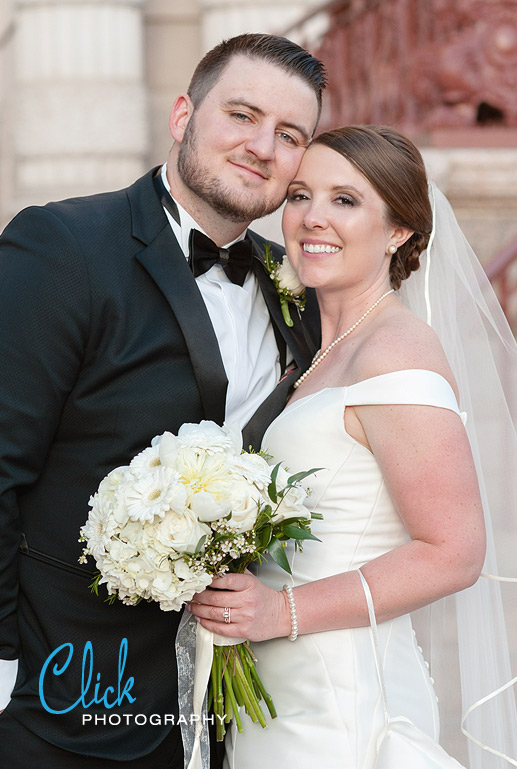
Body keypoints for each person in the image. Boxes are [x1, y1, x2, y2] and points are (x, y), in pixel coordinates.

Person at [0, 33, 326, 768]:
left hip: (225, 708)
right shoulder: (62, 247)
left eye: (289, 135)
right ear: (183, 115)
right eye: (240, 115)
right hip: (60, 694)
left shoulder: (293, 285)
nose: (261, 146)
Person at [189, 125, 517, 768]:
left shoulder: (397, 349)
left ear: (399, 230)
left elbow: (454, 553)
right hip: (280, 691)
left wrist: (279, 610)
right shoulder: (316, 354)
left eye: (345, 200)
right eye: (300, 195)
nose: (312, 218)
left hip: (340, 700)